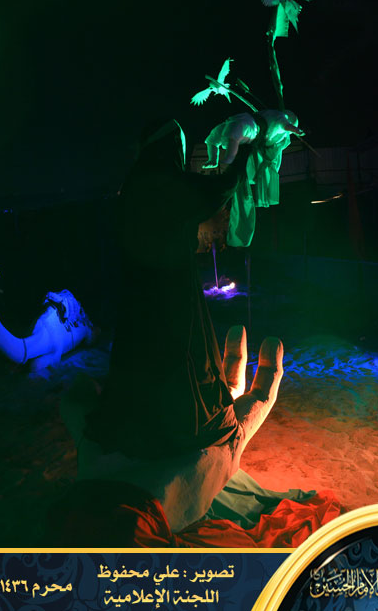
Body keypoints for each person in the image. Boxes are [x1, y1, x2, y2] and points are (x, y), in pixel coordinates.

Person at [84, 118, 257, 460]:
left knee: (140, 352)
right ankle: (180, 430)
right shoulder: (163, 183)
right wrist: (242, 154)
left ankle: (141, 425)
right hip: (170, 285)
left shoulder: (135, 184)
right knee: (179, 351)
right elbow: (216, 191)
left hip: (136, 289)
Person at [204, 109, 305, 246]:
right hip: (249, 128)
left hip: (243, 124)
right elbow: (287, 126)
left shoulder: (272, 118)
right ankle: (225, 158)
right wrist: (297, 130)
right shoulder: (280, 119)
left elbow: (283, 128)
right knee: (231, 137)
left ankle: (218, 158)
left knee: (221, 137)